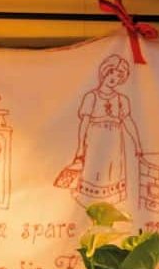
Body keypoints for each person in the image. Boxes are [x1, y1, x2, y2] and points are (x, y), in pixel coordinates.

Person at [54, 55, 143, 203]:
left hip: (114, 141)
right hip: (95, 139)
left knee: (112, 171)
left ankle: (111, 201)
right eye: (111, 73)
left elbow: (128, 121)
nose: (113, 78)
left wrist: (138, 144)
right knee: (93, 170)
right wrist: (80, 147)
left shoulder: (122, 99)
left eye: (118, 75)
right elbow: (84, 124)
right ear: (104, 72)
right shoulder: (91, 97)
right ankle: (88, 201)